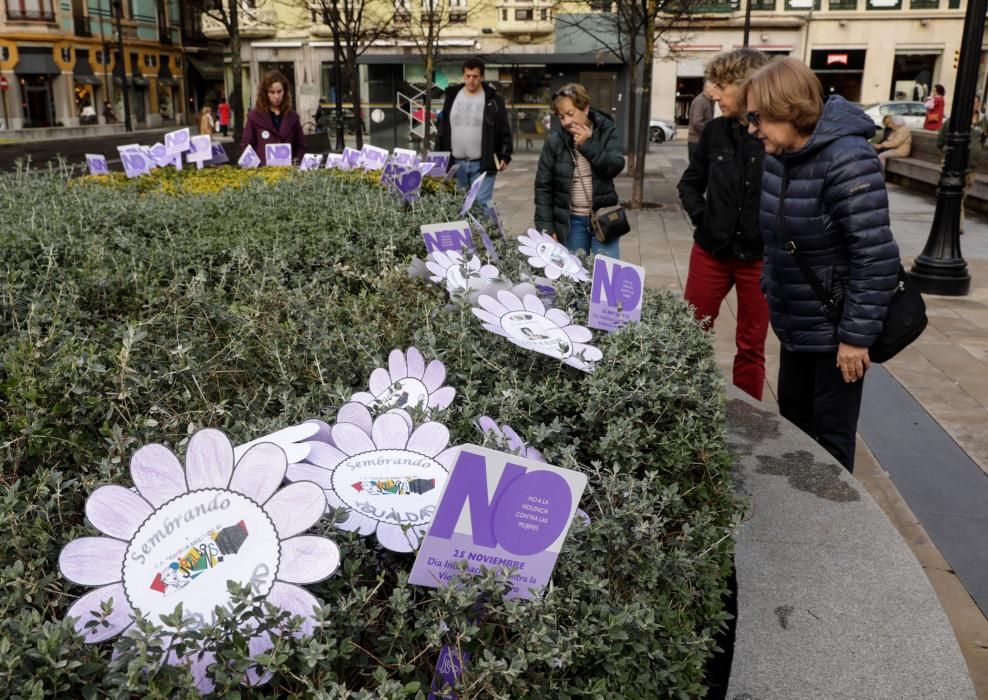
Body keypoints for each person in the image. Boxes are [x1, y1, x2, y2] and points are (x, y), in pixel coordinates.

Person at [742, 57, 901, 471]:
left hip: (836, 335)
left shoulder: (848, 158)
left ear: (788, 109)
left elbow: (876, 256)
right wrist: (769, 282)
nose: (751, 127)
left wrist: (855, 338)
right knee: (793, 431)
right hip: (796, 323)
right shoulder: (779, 155)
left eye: (757, 115)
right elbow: (778, 235)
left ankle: (833, 526)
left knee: (830, 443)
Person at [677, 48, 771, 400]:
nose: (712, 93)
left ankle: (749, 418)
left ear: (747, 86)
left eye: (719, 85)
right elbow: (689, 183)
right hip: (710, 253)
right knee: (689, 333)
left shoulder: (773, 136)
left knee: (751, 346)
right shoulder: (715, 132)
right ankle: (683, 406)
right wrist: (705, 219)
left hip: (758, 259)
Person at [534, 83, 625, 259]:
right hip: (572, 223)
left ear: (586, 108)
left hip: (604, 218)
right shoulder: (555, 142)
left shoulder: (606, 130)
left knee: (607, 278)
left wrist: (588, 144)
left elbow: (614, 166)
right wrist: (546, 228)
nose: (566, 122)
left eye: (570, 114)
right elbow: (543, 187)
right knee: (575, 279)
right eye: (561, 117)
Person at [436, 57, 512, 214]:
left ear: (482, 77)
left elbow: (503, 129)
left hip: (483, 164)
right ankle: (467, 238)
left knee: (483, 205)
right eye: (467, 76)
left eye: (475, 76)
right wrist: (439, 158)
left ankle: (489, 237)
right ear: (463, 76)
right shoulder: (451, 97)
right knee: (459, 206)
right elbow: (442, 129)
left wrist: (505, 155)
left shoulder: (493, 100)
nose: (471, 80)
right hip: (456, 164)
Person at [937, 94, 987, 234]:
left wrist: (976, 149)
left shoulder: (983, 121)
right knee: (957, 195)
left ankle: (950, 219)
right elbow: (940, 141)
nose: (974, 105)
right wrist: (949, 152)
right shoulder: (954, 120)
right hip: (954, 165)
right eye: (971, 102)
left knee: (961, 195)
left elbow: (982, 139)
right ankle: (958, 225)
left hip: (971, 167)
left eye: (976, 103)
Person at [241, 70, 306, 166]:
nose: (276, 96)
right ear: (265, 93)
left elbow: (300, 145)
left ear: (284, 91)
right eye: (272, 92)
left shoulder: (293, 117)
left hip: (288, 172)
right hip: (263, 173)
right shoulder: (254, 116)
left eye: (279, 92)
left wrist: (295, 164)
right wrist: (257, 168)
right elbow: (246, 145)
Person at [687, 82, 715, 161]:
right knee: (696, 170)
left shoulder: (708, 101)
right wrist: (709, 132)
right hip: (696, 142)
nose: (716, 89)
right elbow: (697, 122)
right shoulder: (700, 101)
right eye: (714, 87)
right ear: (707, 88)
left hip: (701, 141)